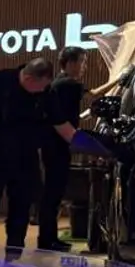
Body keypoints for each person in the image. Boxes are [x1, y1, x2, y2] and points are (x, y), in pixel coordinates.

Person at [0, 57, 75, 267]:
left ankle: (12, 259)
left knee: (21, 210)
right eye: (40, 86)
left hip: (26, 158)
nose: (41, 91)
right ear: (30, 78)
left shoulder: (46, 92)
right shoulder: (0, 82)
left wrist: (87, 144)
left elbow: (61, 125)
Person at [38, 47, 87, 252]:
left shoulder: (57, 83)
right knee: (54, 193)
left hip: (50, 145)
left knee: (52, 193)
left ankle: (48, 237)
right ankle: (47, 240)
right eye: (82, 62)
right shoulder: (69, 85)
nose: (84, 67)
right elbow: (93, 95)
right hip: (58, 145)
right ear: (71, 63)